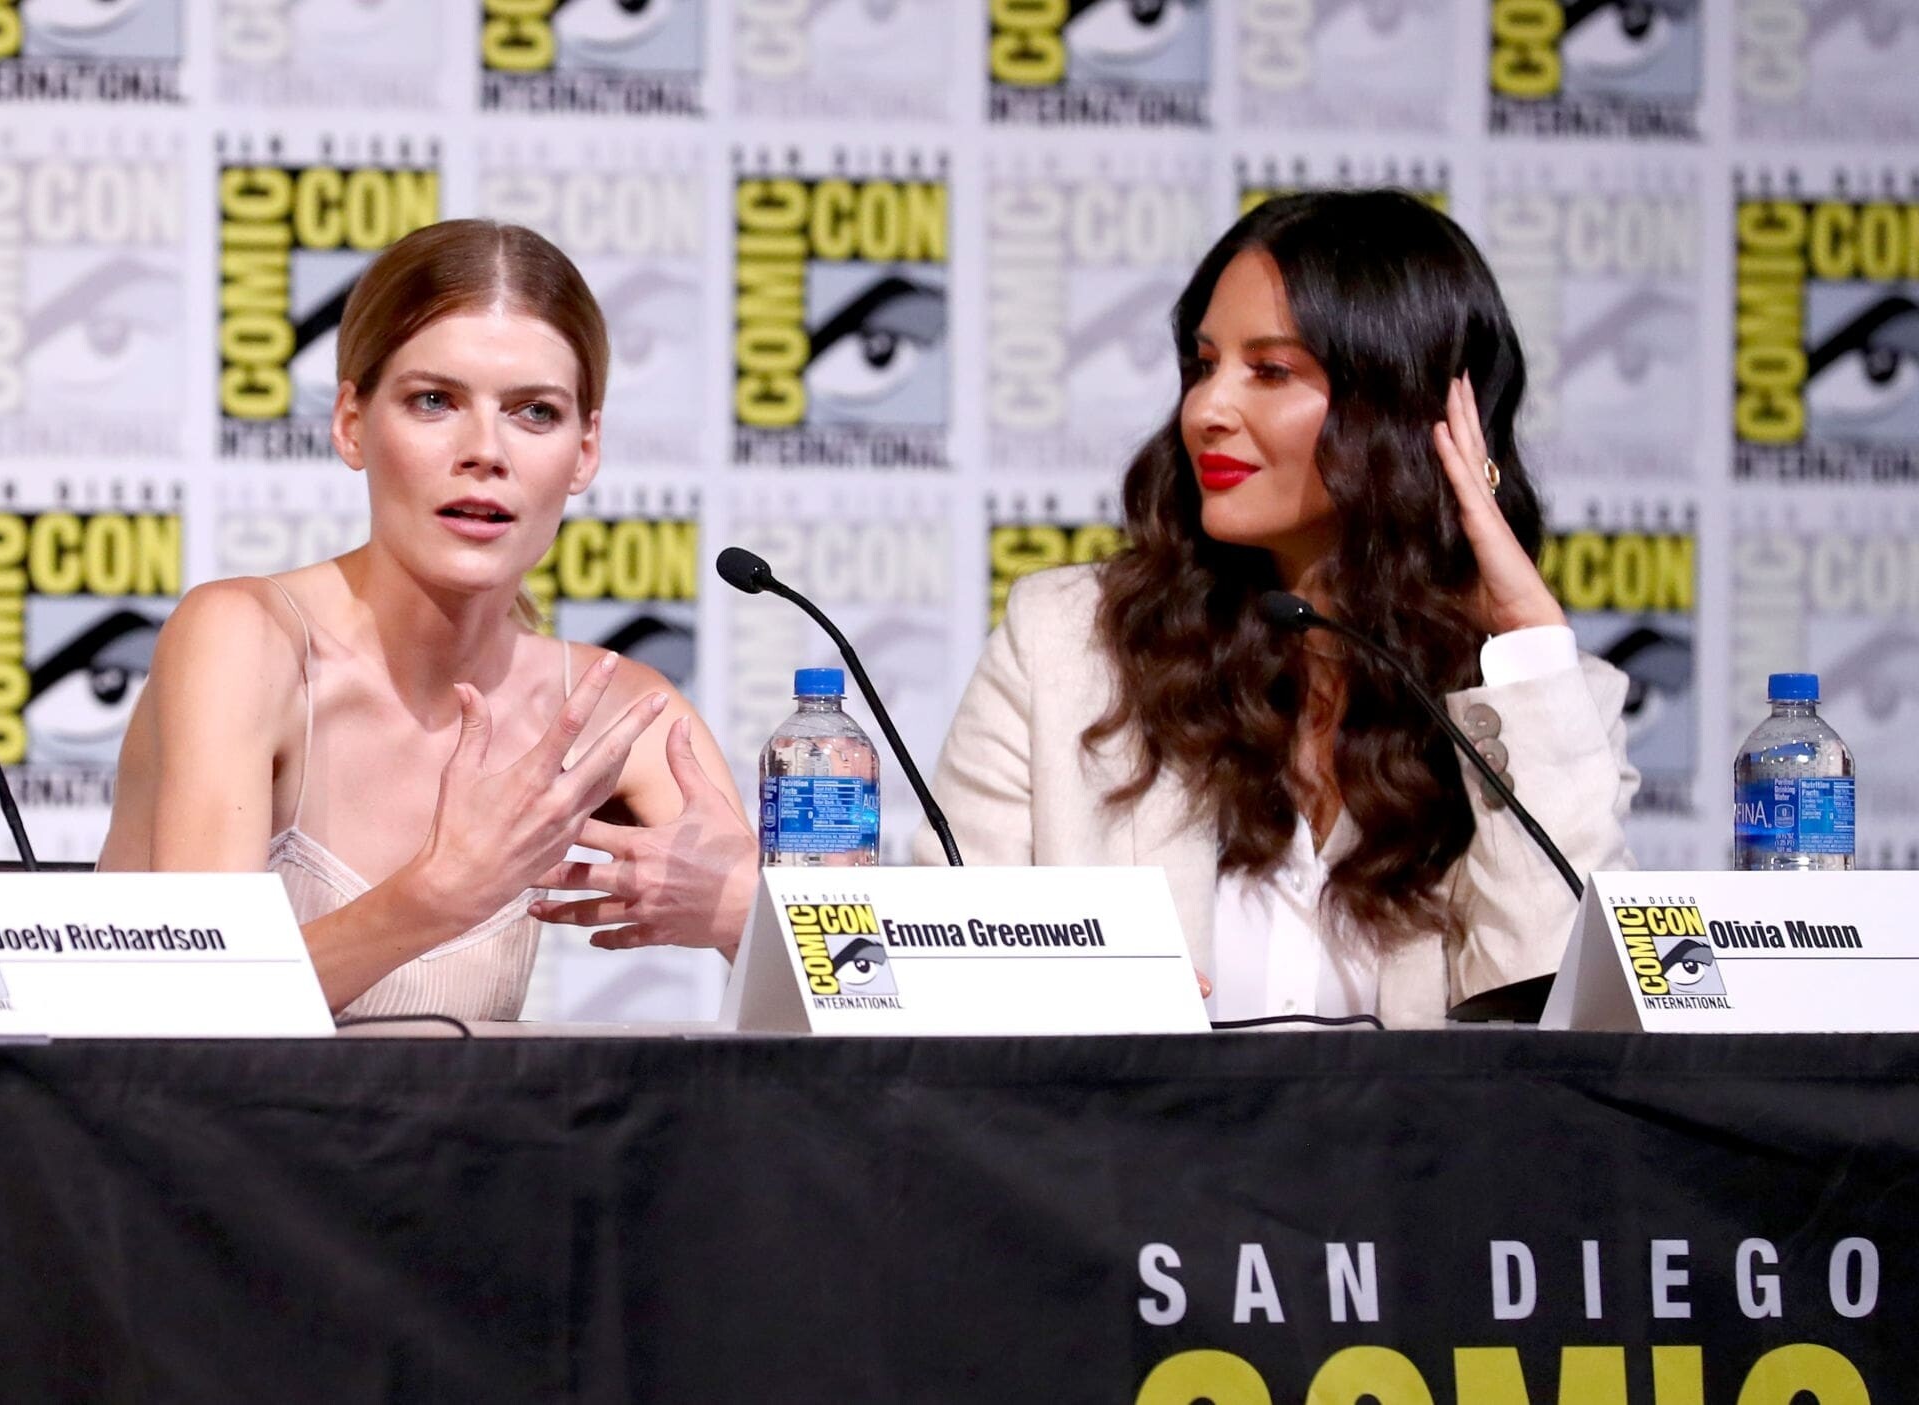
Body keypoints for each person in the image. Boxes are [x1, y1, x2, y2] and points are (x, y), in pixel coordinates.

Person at [918, 190, 1639, 1029]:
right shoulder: (1065, 648)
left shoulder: (1547, 705)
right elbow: (937, 986)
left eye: (1270, 371)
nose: (1206, 410)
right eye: (1203, 365)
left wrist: (1526, 646)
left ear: (1410, 410)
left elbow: (1568, 1018)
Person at [100, 220, 756, 1020]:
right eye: (435, 401)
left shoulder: (616, 711)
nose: (485, 451)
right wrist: (437, 895)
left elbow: (854, 1010)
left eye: (534, 412)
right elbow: (188, 1011)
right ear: (351, 423)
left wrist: (746, 913)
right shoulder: (243, 638)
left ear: (585, 450)